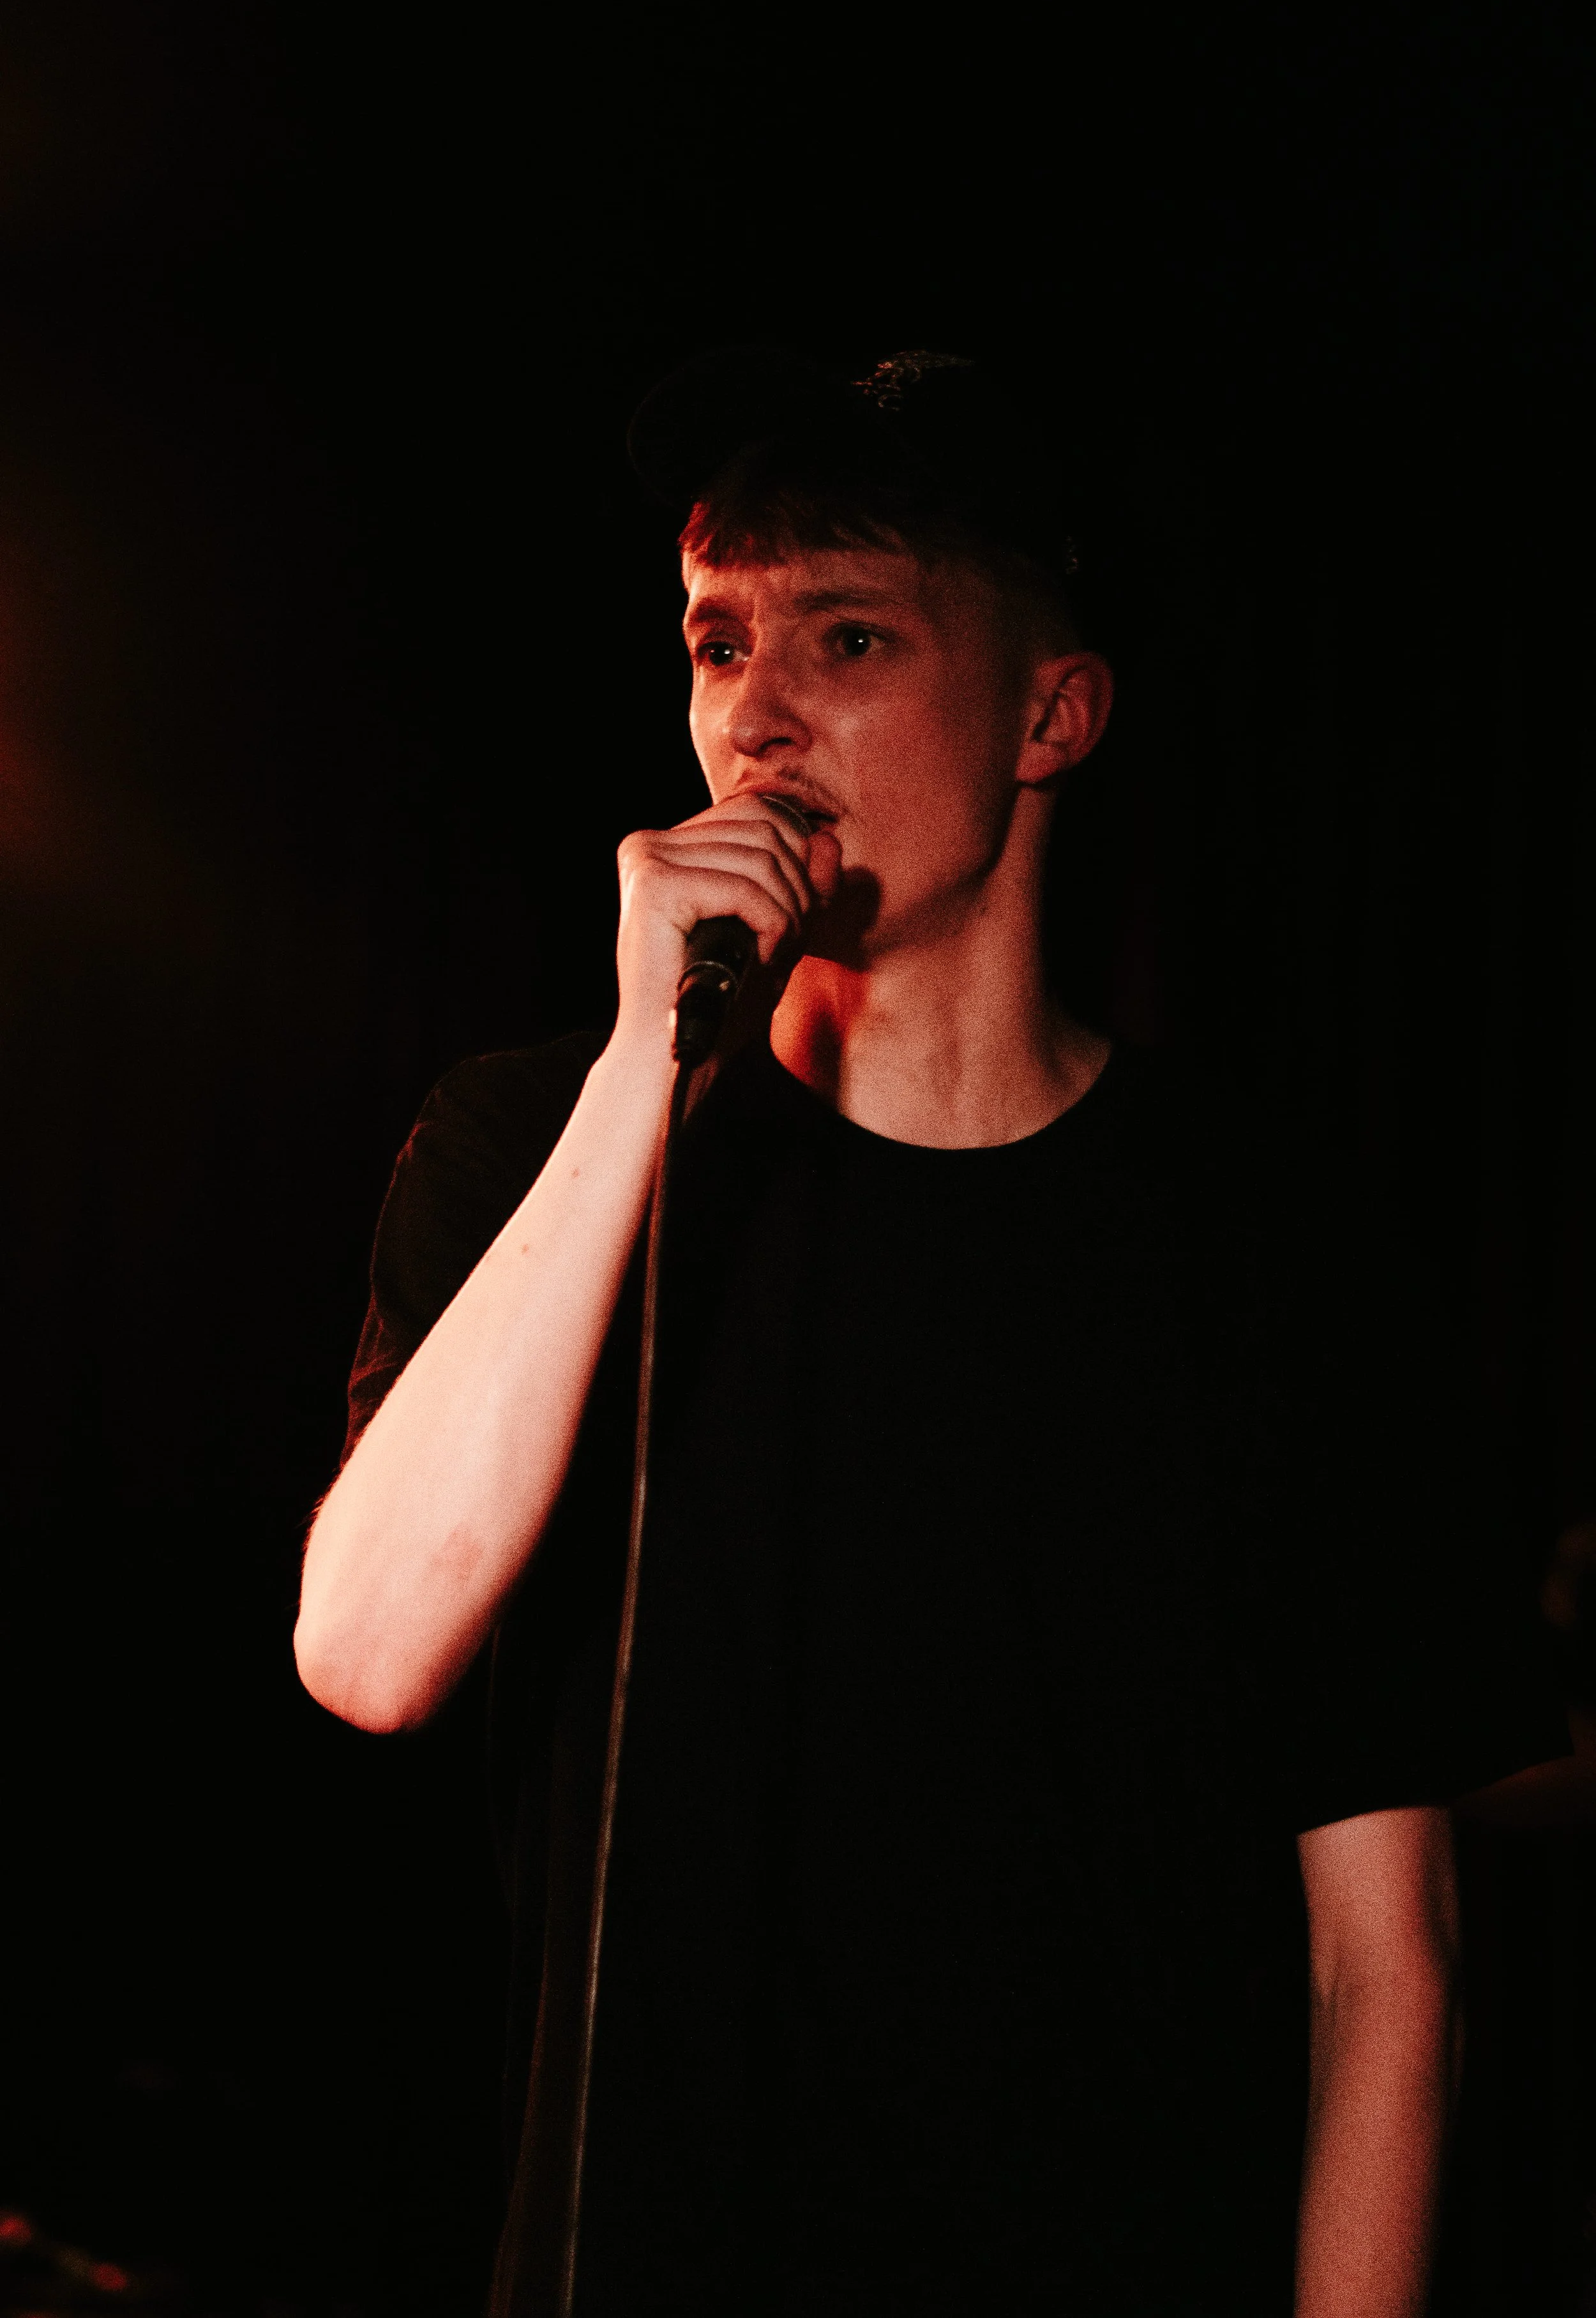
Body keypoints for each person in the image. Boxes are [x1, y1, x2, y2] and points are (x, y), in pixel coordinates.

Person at [294, 349, 1569, 2316]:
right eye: (718, 642)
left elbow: (1387, 1966)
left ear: (1051, 713)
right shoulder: (536, 1140)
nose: (754, 713)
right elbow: (370, 1654)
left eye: (851, 636)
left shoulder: (1275, 1253)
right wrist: (644, 1066)